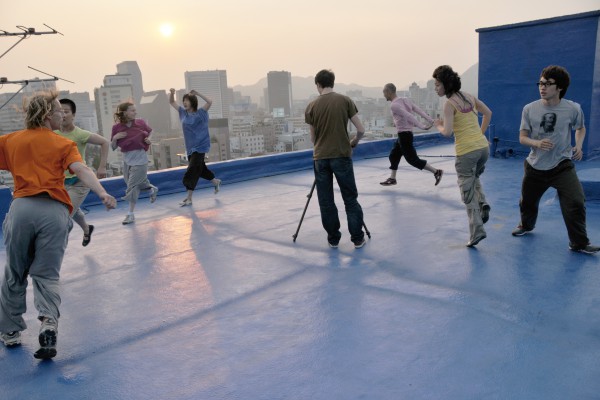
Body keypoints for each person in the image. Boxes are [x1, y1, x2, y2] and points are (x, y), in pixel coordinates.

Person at [0, 92, 116, 359]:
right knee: (47, 274)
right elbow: (82, 170)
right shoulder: (63, 144)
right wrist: (101, 193)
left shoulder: (10, 141)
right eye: (57, 111)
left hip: (22, 209)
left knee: (15, 272)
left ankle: (10, 332)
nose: (61, 115)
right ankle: (48, 322)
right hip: (54, 212)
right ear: (46, 115)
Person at [511, 65, 599, 254]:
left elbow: (580, 128)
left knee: (575, 201)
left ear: (559, 88)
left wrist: (579, 145)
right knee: (527, 202)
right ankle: (526, 225)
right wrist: (536, 142)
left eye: (548, 84)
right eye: (541, 83)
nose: (542, 87)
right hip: (535, 166)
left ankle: (579, 242)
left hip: (562, 165)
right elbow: (522, 137)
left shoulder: (572, 108)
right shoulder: (529, 109)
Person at [304, 69, 367, 249]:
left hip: (320, 158)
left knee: (326, 201)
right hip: (342, 155)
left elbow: (313, 139)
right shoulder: (345, 100)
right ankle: (357, 238)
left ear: (318, 85)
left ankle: (333, 239)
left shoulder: (311, 106)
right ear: (333, 82)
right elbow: (361, 129)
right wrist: (353, 142)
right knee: (350, 198)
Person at [432, 65, 492, 247]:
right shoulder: (469, 96)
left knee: (467, 194)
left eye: (437, 84)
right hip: (483, 149)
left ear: (445, 84)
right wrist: (481, 135)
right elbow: (488, 113)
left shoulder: (449, 104)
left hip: (465, 152)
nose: (435, 88)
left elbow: (448, 132)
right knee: (474, 178)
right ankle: (483, 203)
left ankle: (477, 232)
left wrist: (438, 125)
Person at [56, 98, 110, 246]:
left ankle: (53, 250)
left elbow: (105, 142)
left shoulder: (80, 134)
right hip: (60, 183)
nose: (63, 115)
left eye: (66, 112)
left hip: (79, 182)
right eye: (60, 111)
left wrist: (102, 166)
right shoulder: (52, 133)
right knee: (74, 210)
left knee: (63, 217)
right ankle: (87, 229)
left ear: (73, 115)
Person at [380, 83, 443, 186]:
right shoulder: (405, 100)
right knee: (393, 155)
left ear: (389, 92)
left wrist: (422, 126)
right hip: (403, 135)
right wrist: (431, 120)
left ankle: (437, 172)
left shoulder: (394, 105)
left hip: (405, 135)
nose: (384, 95)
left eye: (384, 92)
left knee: (412, 160)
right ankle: (392, 178)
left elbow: (409, 116)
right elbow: (419, 110)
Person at [169, 88, 221, 206]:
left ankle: (189, 198)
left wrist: (198, 93)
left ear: (193, 102)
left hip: (201, 146)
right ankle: (215, 182)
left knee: (192, 170)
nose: (185, 102)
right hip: (190, 148)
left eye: (187, 100)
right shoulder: (183, 113)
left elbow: (209, 102)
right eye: (184, 101)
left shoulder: (201, 113)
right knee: (201, 170)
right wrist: (172, 94)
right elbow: (172, 102)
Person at [111, 102, 158, 224]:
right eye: (132, 110)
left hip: (141, 159)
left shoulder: (141, 123)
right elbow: (113, 147)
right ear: (125, 112)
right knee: (135, 184)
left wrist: (149, 139)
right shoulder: (116, 128)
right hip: (127, 160)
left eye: (135, 110)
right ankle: (151, 189)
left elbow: (151, 131)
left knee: (132, 187)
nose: (135, 112)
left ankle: (130, 214)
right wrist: (116, 137)